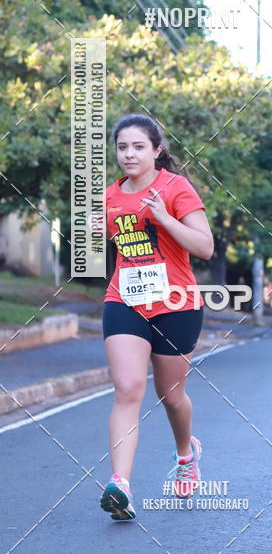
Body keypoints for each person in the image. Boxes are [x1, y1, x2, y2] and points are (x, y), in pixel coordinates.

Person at [99, 114, 214, 520]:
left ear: (156, 150)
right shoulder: (109, 196)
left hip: (177, 304)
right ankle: (120, 486)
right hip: (125, 300)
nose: (129, 154)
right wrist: (98, 234)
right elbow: (111, 248)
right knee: (128, 387)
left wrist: (164, 217)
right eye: (122, 147)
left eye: (138, 147)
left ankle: (186, 454)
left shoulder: (175, 188)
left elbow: (205, 247)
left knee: (171, 395)